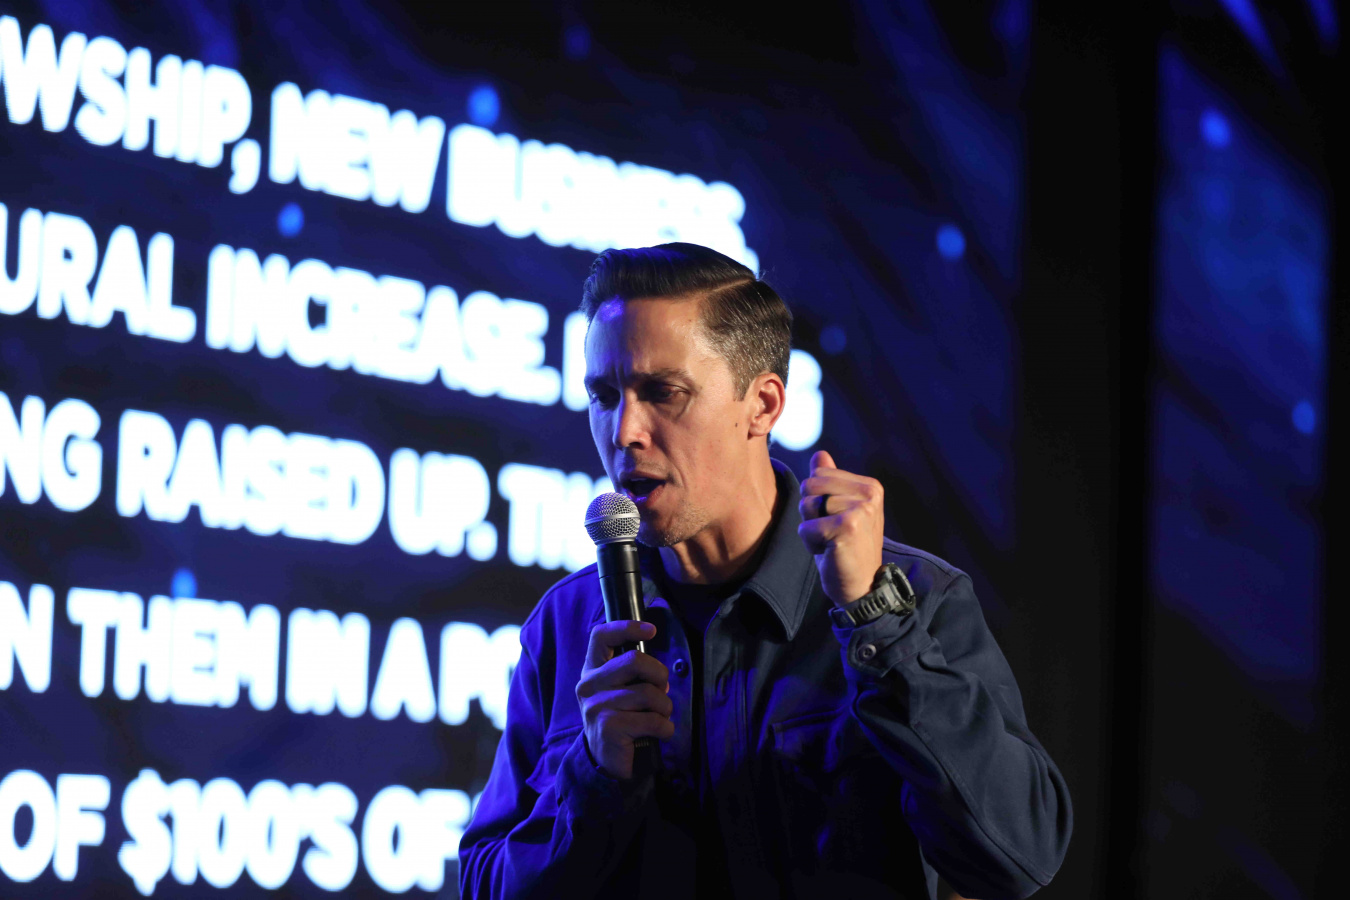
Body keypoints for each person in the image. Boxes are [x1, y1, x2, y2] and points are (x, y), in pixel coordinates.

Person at [459, 243, 1072, 899]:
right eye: (603, 395)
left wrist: (876, 621)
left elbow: (1018, 860)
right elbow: (483, 883)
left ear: (763, 404)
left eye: (663, 392)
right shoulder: (566, 623)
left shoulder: (912, 599)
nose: (625, 429)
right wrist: (595, 778)